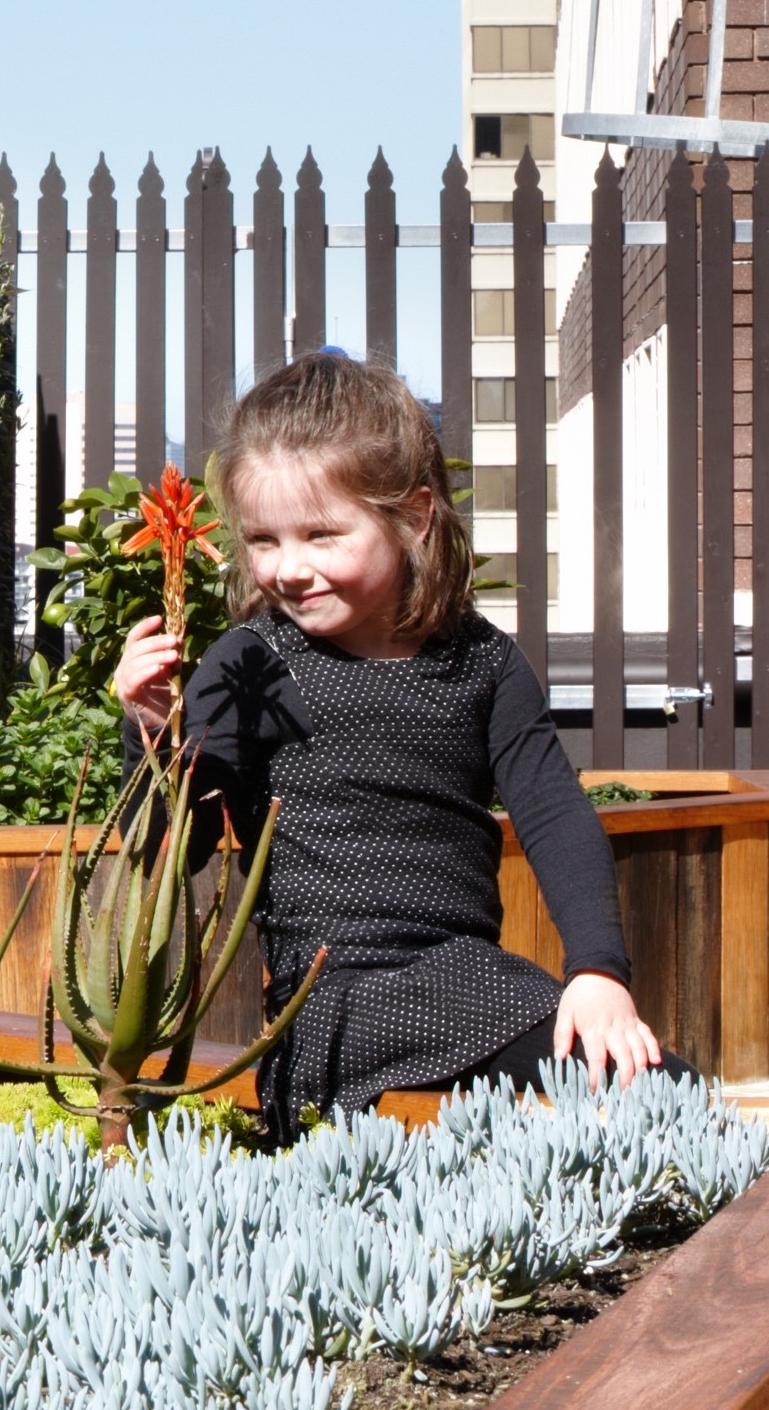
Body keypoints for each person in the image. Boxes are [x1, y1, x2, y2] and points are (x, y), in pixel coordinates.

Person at [114, 349, 677, 1134]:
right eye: (263, 540)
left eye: (320, 534)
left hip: (462, 987)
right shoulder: (251, 663)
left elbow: (553, 814)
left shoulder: (478, 660)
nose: (289, 568)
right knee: (654, 1102)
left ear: (412, 519)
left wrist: (595, 973)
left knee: (662, 1094)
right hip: (328, 1013)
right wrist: (150, 735)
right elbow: (174, 843)